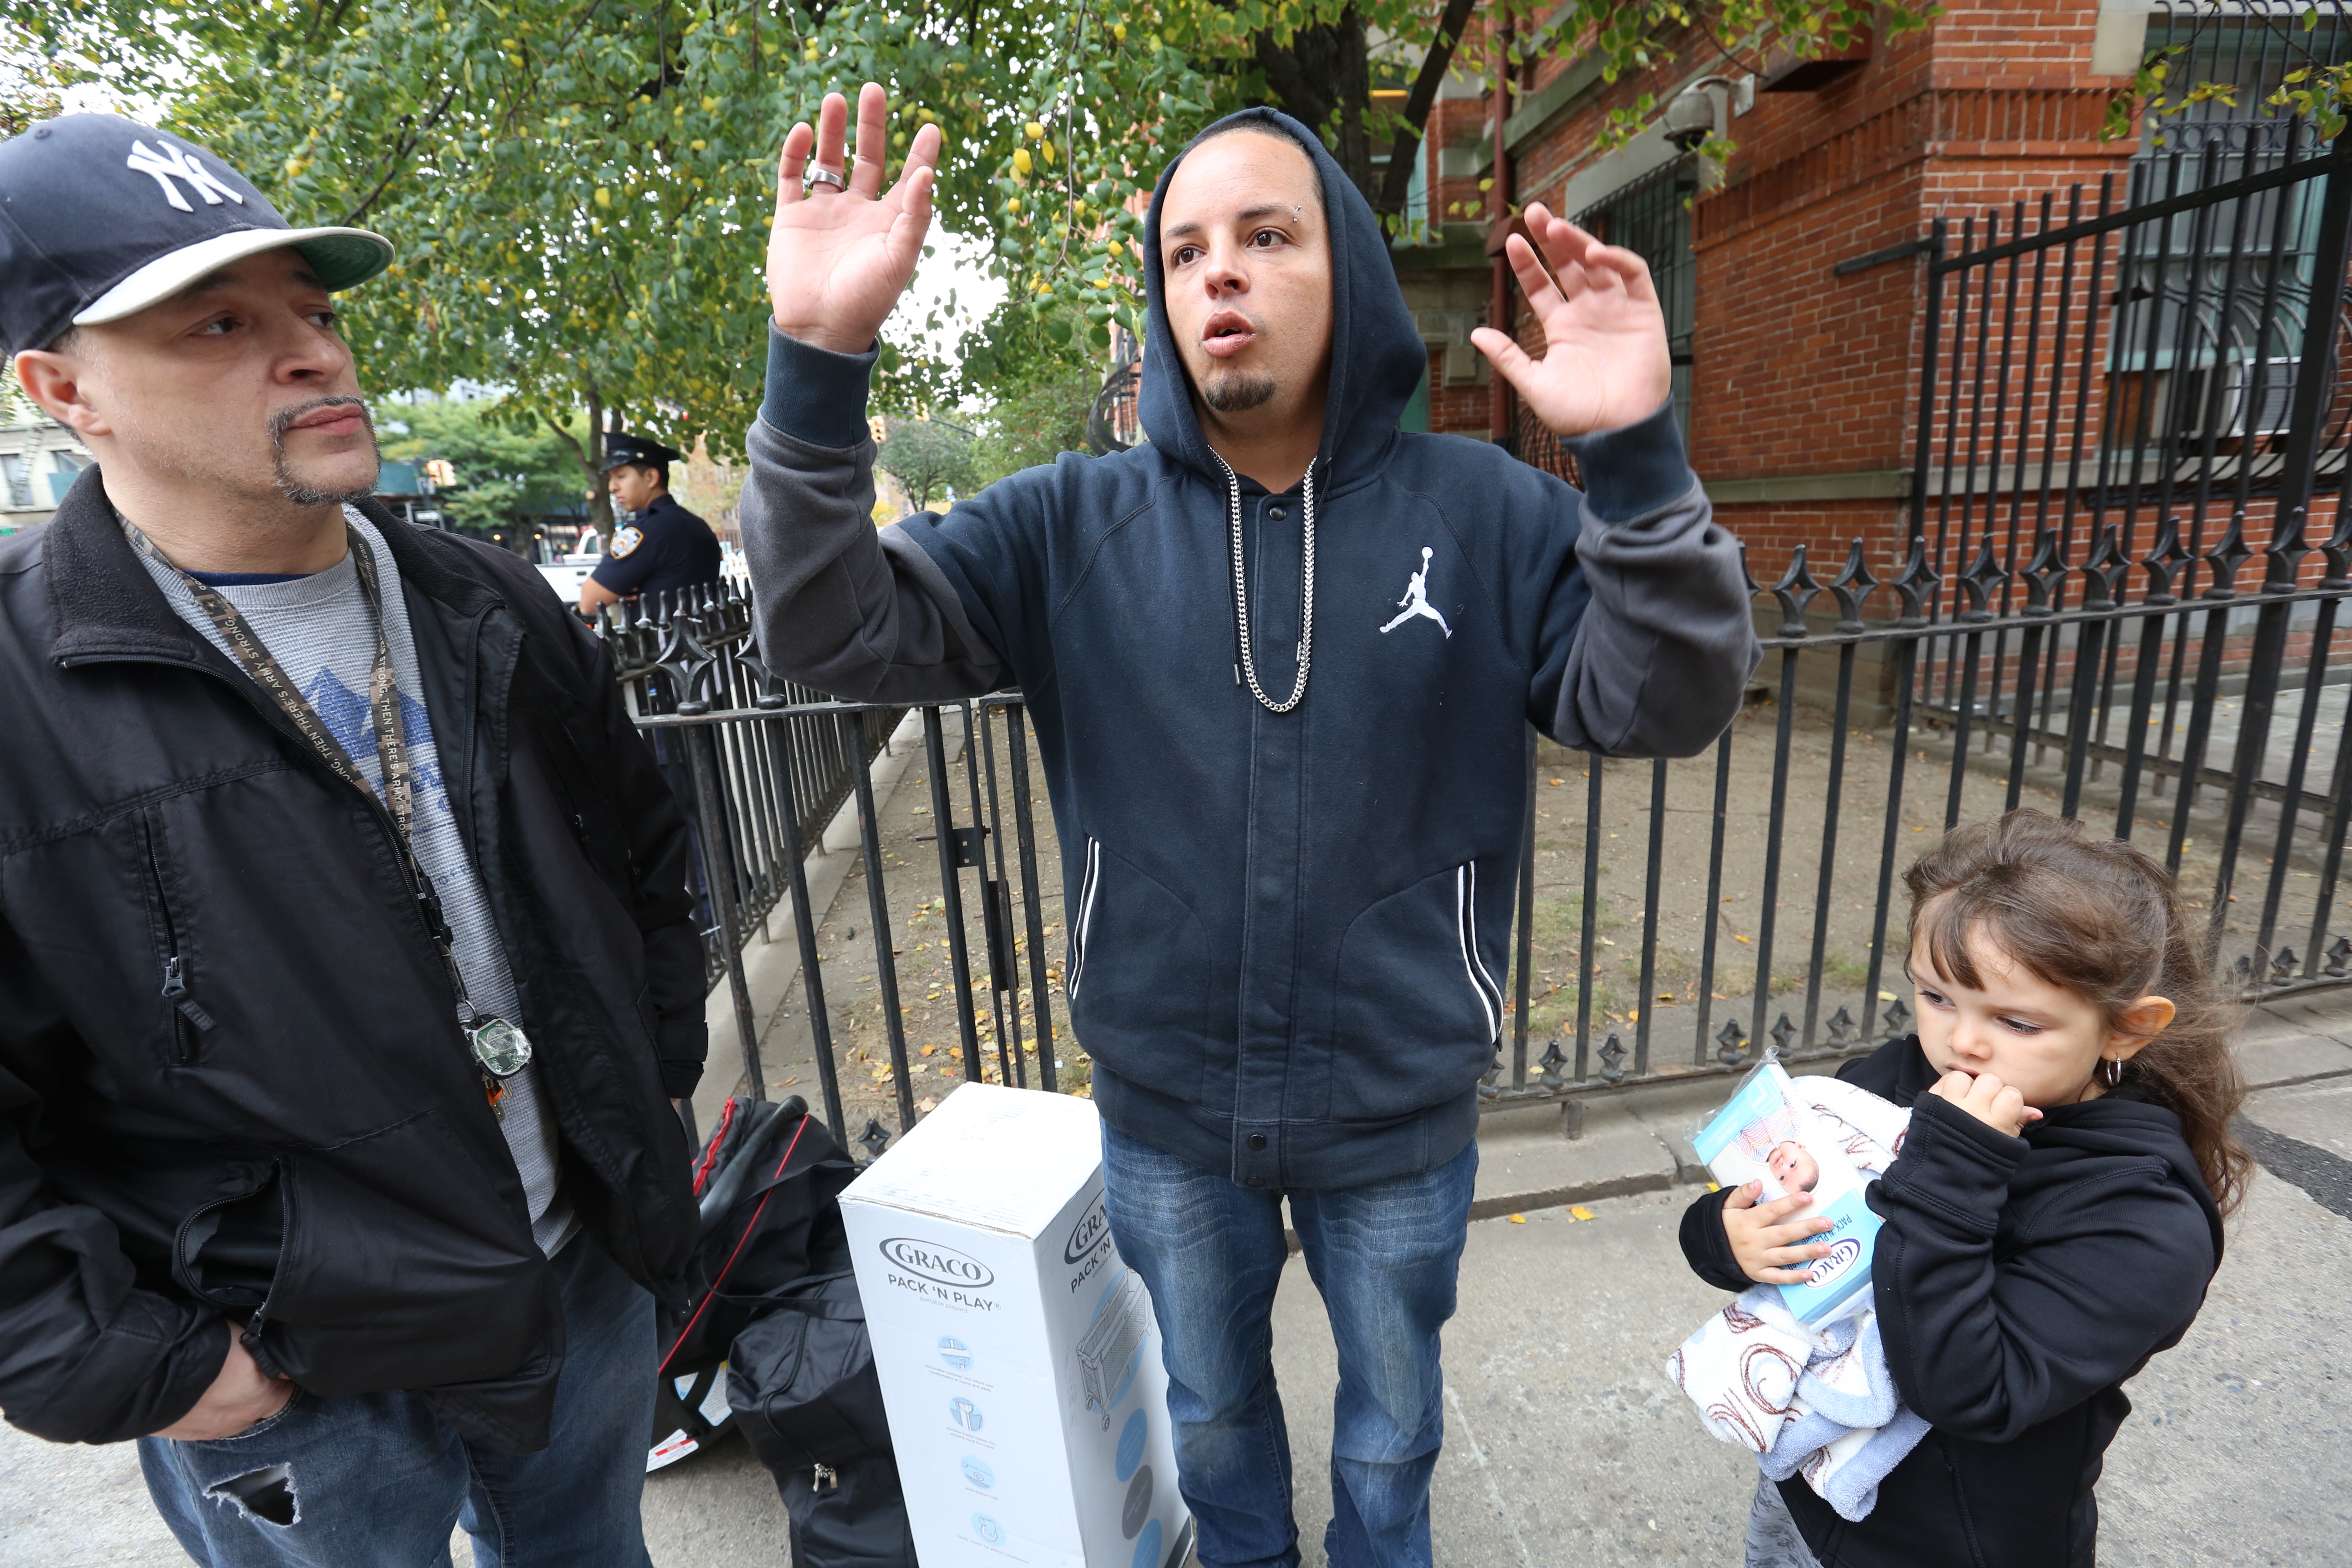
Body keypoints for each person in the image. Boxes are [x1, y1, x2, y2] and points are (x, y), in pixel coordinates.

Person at [739, 86, 1761, 1567]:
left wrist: (1636, 459)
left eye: (1264, 236)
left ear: (1340, 268)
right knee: (1209, 1408)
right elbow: (828, 632)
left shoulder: (1488, 513)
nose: (1214, 270)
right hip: (1166, 1110)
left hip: (1396, 1103)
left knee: (1391, 1420)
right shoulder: (1059, 528)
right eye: (1182, 250)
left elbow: (1661, 702)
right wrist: (817, 360)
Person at [0, 114, 706, 1566]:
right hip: (285, 1370)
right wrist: (127, 1359)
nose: (313, 352)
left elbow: (645, 873)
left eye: (312, 309)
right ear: (65, 387)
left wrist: (639, 1118)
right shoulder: (22, 689)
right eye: (218, 322)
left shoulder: (490, 605)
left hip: (571, 1281)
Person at [1681, 810, 2248, 1568]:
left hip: (1954, 1541)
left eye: (2017, 1022)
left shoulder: (2144, 1217)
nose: (1963, 1042)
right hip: (1812, 1487)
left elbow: (1970, 1392)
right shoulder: (1899, 1076)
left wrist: (1953, 1169)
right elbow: (1786, 1235)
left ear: (2126, 1029)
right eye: (1938, 997)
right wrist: (1732, 1234)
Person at [579, 431, 722, 617]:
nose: (612, 487)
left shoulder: (646, 531)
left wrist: (621, 590)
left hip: (664, 643)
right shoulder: (696, 523)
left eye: (621, 476)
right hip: (706, 638)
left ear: (651, 478)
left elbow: (589, 602)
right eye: (611, 479)